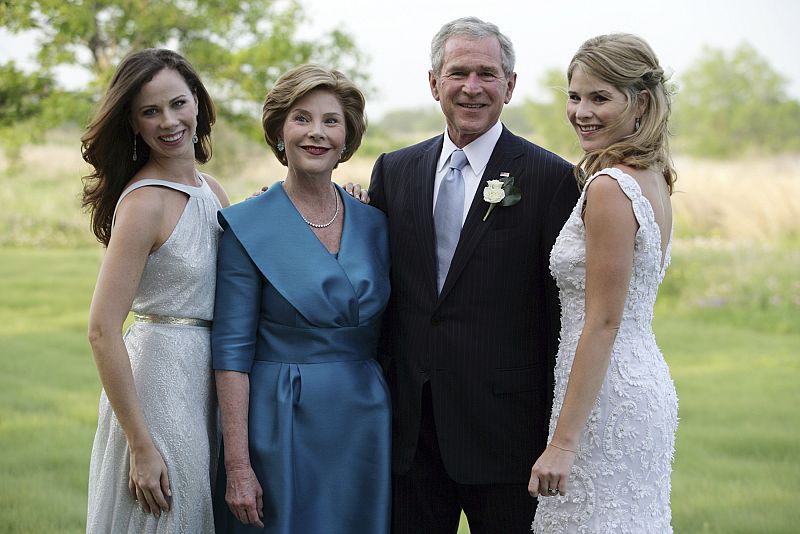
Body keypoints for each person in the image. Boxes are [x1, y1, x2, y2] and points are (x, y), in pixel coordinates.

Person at [367, 17, 579, 533]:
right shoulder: (393, 171)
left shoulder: (552, 179)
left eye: (487, 73)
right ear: (434, 82)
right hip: (412, 432)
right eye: (458, 72)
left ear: (510, 84)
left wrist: (556, 435)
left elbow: (562, 314)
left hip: (507, 431)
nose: (472, 87)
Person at [211, 64, 391, 534]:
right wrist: (237, 465)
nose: (317, 133)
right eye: (301, 118)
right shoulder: (248, 225)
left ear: (348, 135)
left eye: (331, 121)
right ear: (279, 131)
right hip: (279, 418)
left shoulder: (374, 220)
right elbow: (231, 354)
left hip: (364, 418)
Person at [529, 33, 678, 533]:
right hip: (635, 379)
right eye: (575, 96)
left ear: (639, 103)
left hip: (605, 397)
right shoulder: (653, 176)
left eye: (599, 97)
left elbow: (604, 321)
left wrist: (562, 443)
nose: (582, 112)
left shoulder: (612, 187)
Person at [82, 48, 229, 533]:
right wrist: (141, 444)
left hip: (208, 380)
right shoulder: (144, 203)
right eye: (150, 111)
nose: (169, 121)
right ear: (134, 123)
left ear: (198, 104)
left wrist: (343, 196)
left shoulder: (212, 191)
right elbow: (103, 329)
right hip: (158, 385)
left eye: (178, 103)